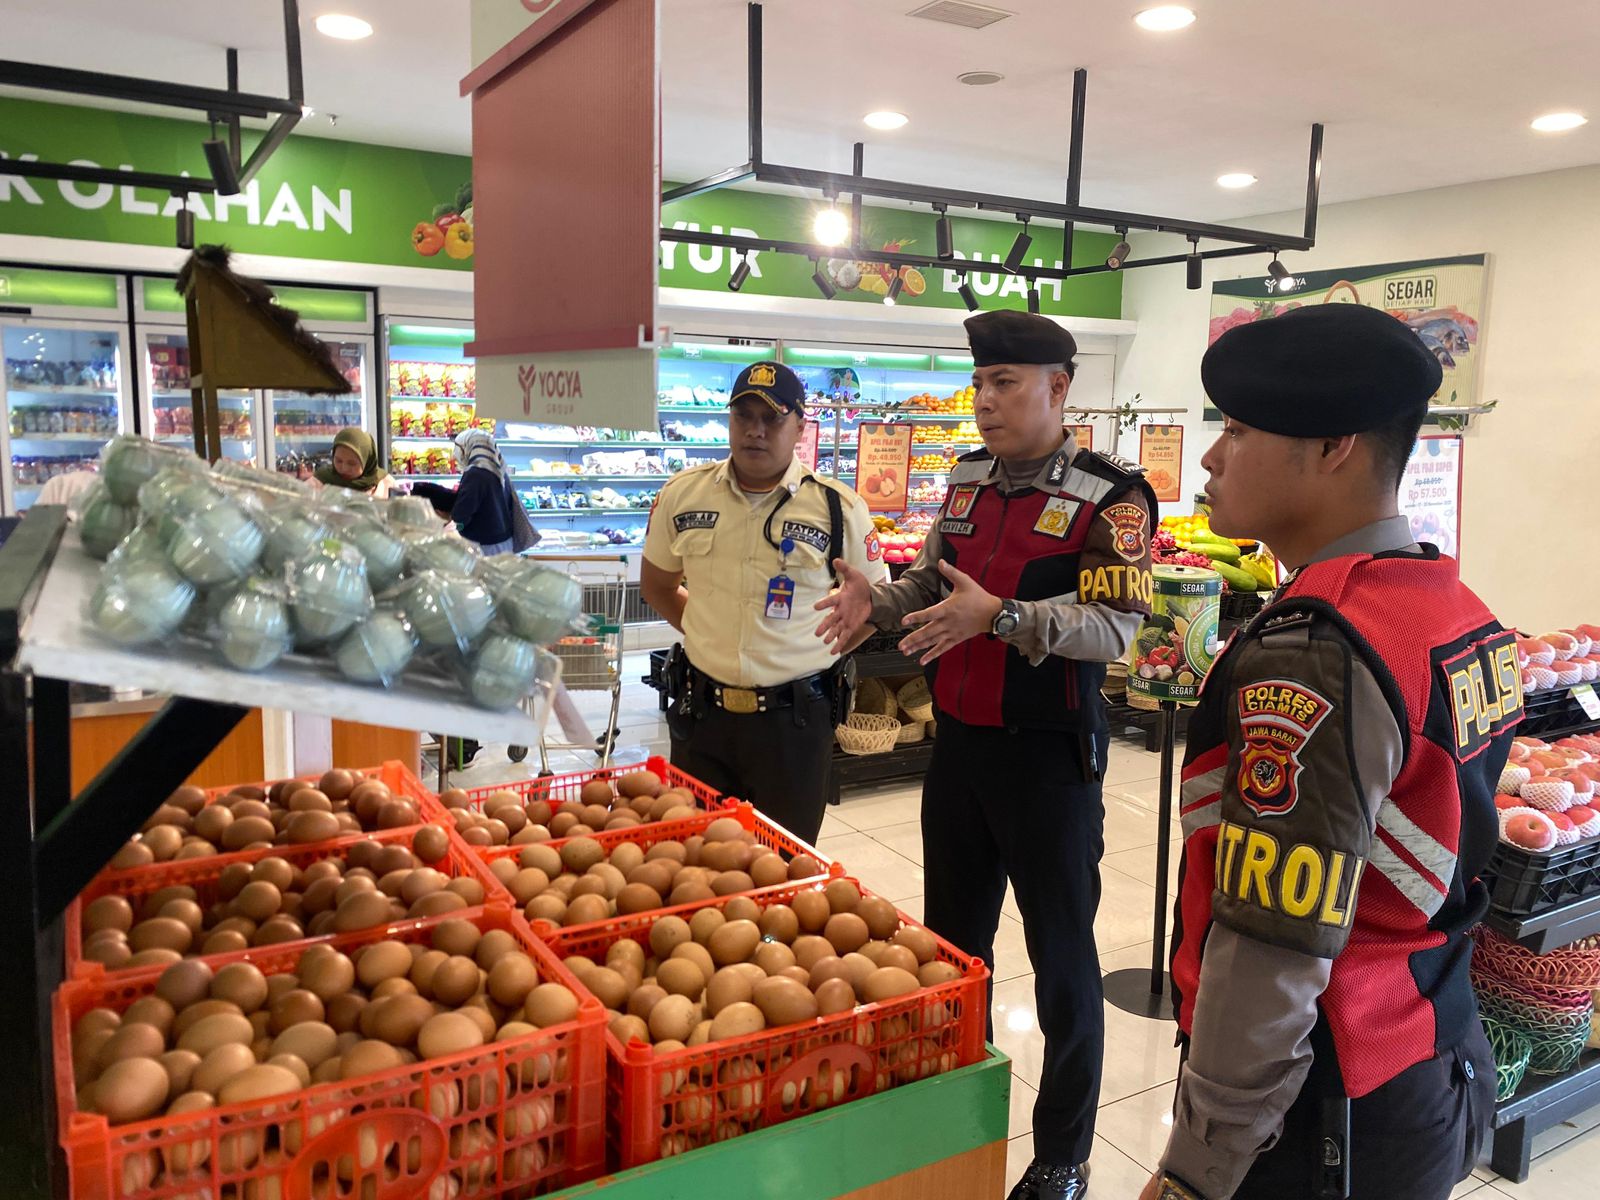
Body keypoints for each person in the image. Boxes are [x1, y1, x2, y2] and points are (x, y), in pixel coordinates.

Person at [1139, 304, 1508, 1200]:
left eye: (1238, 430)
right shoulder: (1451, 608)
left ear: (1335, 446)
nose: (1209, 458)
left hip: (1327, 1099)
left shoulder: (1319, 650)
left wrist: (1199, 1167)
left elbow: (1274, 941)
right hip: (1432, 1051)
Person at [816, 310, 1159, 1200]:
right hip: (961, 753)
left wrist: (1003, 618)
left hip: (1050, 762)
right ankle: (954, 1116)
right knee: (953, 953)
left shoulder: (1113, 497)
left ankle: (1062, 1158)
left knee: (1063, 965)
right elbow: (932, 580)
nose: (984, 401)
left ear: (1059, 387)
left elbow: (1116, 629)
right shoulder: (968, 479)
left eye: (1004, 383)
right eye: (978, 383)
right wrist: (877, 601)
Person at [640, 360, 888, 845]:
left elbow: (878, 604)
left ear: (799, 426)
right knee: (695, 862)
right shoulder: (683, 495)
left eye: (772, 418)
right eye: (743, 416)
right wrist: (708, 634)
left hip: (794, 723)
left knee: (785, 865)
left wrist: (820, 649)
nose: (755, 431)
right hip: (702, 716)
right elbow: (657, 585)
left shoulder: (839, 508)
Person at [411, 428, 532, 556]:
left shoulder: (476, 473)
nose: (455, 454)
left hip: (485, 545)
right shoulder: (498, 469)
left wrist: (449, 526)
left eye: (457, 447)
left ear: (467, 447)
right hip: (503, 540)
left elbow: (462, 513)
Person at [314, 427, 396, 497]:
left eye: (351, 463)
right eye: (338, 461)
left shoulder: (386, 484)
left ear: (367, 462)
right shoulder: (319, 482)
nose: (344, 468)